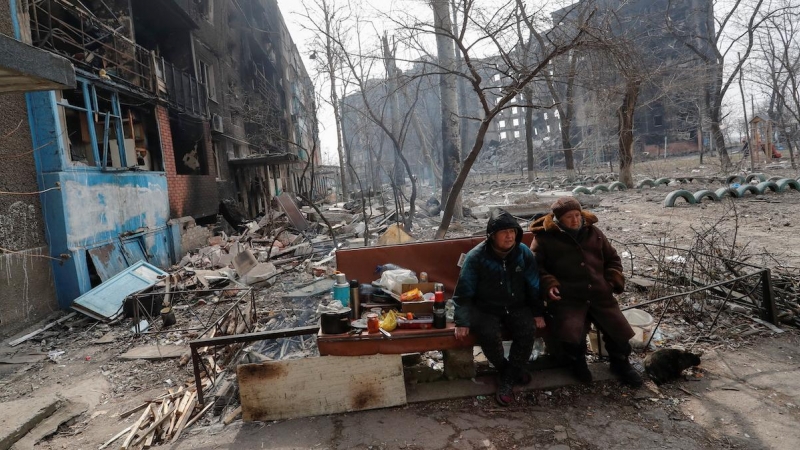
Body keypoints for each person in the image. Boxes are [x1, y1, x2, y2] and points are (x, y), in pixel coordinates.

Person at [528, 197, 643, 387]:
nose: (575, 220)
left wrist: (611, 280)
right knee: (573, 336)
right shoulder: (545, 238)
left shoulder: (594, 233)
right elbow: (536, 268)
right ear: (558, 219)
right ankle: (577, 364)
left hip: (599, 293)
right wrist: (550, 284)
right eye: (569, 217)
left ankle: (621, 364)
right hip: (569, 297)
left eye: (577, 215)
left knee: (618, 332)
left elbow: (613, 258)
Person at [453, 208, 546, 406]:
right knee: (487, 334)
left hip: (516, 305)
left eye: (513, 231)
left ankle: (506, 380)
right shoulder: (476, 257)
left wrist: (538, 312)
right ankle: (509, 372)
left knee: (527, 330)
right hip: (486, 307)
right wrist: (461, 320)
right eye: (504, 232)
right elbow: (463, 291)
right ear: (492, 235)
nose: (509, 236)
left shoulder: (523, 253)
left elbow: (534, 285)